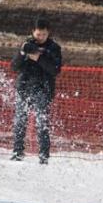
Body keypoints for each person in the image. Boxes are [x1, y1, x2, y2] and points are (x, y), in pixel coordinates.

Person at [10, 18, 62, 164]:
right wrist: (22, 53)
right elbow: (14, 67)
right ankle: (17, 152)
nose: (40, 38)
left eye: (44, 35)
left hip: (42, 89)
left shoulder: (53, 48)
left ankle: (44, 156)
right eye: (38, 34)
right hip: (24, 88)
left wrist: (39, 58)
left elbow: (55, 70)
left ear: (48, 33)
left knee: (42, 123)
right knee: (20, 121)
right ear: (33, 32)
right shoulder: (26, 44)